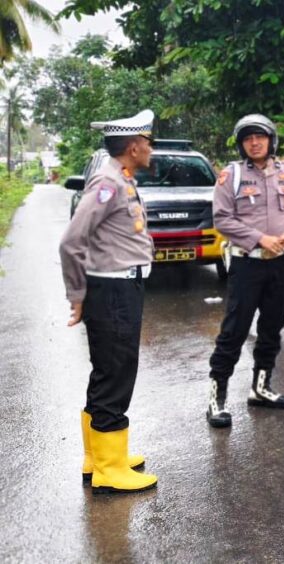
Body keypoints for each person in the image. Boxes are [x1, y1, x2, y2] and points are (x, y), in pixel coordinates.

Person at [60, 109, 158, 494]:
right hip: (114, 291)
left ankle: (98, 457)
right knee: (116, 373)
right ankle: (109, 470)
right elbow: (72, 242)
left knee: (107, 371)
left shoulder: (121, 178)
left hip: (119, 288)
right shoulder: (108, 183)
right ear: (133, 147)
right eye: (147, 142)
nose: (150, 148)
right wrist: (77, 295)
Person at [205, 114, 284, 428]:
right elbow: (222, 219)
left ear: (270, 140)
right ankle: (216, 398)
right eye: (248, 138)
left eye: (260, 137)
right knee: (234, 330)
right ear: (242, 144)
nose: (254, 143)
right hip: (247, 262)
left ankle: (261, 388)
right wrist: (259, 238)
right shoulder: (232, 175)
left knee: (272, 326)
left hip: (281, 262)